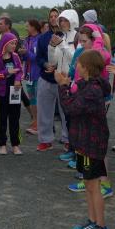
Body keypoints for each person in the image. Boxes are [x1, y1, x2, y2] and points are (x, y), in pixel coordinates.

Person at [58, 50, 112, 229]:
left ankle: (102, 228)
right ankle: (92, 220)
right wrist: (68, 84)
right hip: (84, 140)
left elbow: (70, 108)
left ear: (86, 67)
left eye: (79, 63)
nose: (76, 66)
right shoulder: (88, 84)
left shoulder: (93, 90)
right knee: (88, 184)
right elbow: (75, 93)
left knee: (93, 186)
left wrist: (62, 87)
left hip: (92, 143)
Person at [36, 9, 79, 151]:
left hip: (69, 80)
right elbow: (53, 60)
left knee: (67, 112)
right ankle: (46, 140)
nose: (62, 22)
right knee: (45, 112)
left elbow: (75, 58)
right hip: (57, 77)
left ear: (72, 20)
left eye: (65, 20)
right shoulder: (59, 35)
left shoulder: (77, 36)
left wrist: (61, 44)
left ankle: (68, 139)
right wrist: (52, 47)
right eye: (61, 20)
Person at [0, 32, 23, 155]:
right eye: (12, 43)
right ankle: (2, 144)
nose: (14, 46)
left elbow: (20, 71)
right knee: (1, 119)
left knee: (15, 118)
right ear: (5, 43)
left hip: (15, 92)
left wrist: (17, 79)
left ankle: (15, 144)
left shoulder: (16, 56)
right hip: (1, 93)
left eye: (15, 43)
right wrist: (6, 72)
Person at [21, 19, 41, 136]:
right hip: (28, 75)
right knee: (32, 100)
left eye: (27, 26)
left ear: (33, 27)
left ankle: (39, 124)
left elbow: (37, 58)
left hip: (37, 74)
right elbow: (26, 58)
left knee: (38, 100)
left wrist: (26, 53)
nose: (26, 28)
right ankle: (35, 121)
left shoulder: (39, 39)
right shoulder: (27, 39)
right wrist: (22, 54)